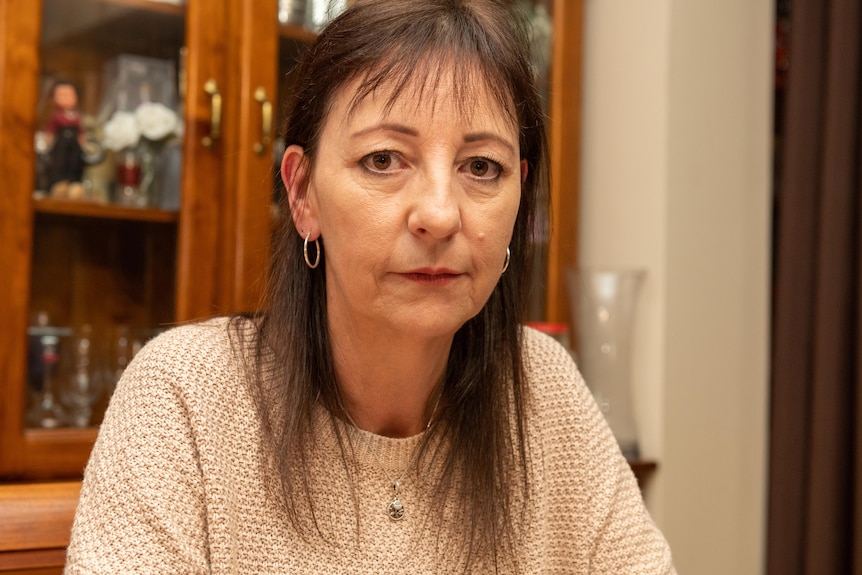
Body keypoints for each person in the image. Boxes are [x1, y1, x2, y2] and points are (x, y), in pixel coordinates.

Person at [64, 1, 676, 573]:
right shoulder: (185, 398)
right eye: (384, 159)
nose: (439, 214)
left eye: (480, 167)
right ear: (302, 194)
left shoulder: (545, 393)